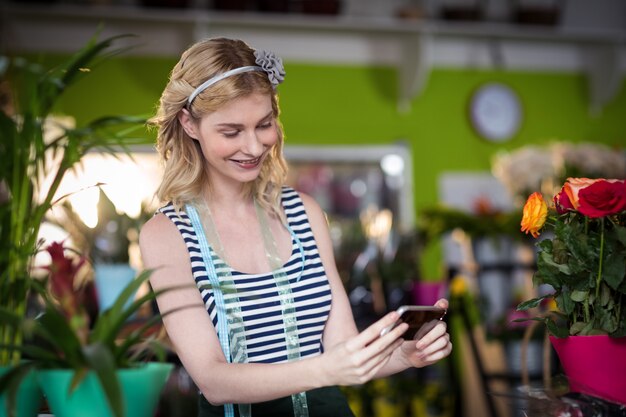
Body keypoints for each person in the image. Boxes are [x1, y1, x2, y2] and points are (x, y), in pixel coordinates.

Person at [139, 37, 452, 417]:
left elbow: (341, 351)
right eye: (231, 131)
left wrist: (403, 355)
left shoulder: (303, 212)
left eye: (264, 124)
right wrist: (323, 369)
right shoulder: (166, 234)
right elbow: (213, 381)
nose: (254, 147)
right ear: (189, 124)